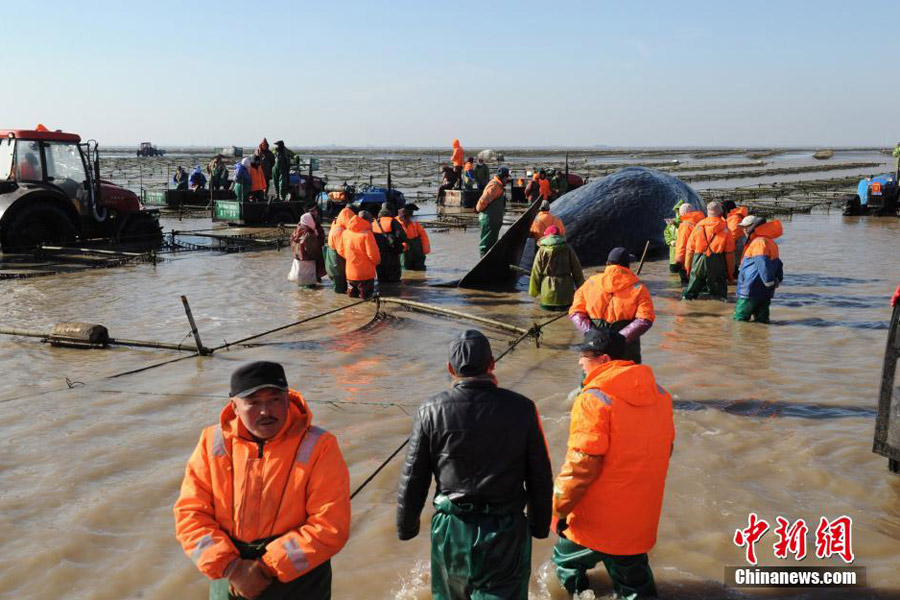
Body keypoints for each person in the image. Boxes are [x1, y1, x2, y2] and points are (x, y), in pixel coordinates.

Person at [174, 361, 351, 600]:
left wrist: (267, 568)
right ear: (234, 407)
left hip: (299, 582)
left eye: (275, 399)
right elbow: (190, 515)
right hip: (230, 577)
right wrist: (232, 568)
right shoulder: (211, 443)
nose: (266, 411)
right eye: (253, 402)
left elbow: (330, 526)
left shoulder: (320, 445)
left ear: (288, 400)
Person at [397, 330, 553, 600]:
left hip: (451, 530)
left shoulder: (430, 410)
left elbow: (413, 477)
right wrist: (539, 526)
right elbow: (540, 476)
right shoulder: (523, 408)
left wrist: (407, 527)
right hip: (505, 531)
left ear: (450, 369)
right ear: (491, 364)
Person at [551, 329, 674, 598]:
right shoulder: (661, 395)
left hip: (598, 519)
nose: (580, 362)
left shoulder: (593, 399)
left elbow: (582, 464)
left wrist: (559, 508)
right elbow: (667, 449)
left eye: (584, 355)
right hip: (640, 515)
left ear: (603, 359)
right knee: (635, 581)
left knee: (565, 562)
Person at [569, 248, 654, 364]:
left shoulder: (590, 283)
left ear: (607, 264)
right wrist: (620, 338)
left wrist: (591, 333)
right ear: (627, 266)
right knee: (628, 379)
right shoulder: (639, 288)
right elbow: (645, 319)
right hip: (625, 349)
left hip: (594, 346)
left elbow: (575, 313)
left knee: (593, 379)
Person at [733, 216, 784, 323]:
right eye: (743, 227)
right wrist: (777, 280)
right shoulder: (770, 242)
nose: (744, 230)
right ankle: (760, 339)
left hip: (750, 290)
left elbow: (762, 262)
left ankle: (739, 340)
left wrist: (768, 281)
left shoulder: (758, 242)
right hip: (765, 292)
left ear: (754, 227)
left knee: (739, 321)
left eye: (747, 227)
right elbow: (778, 263)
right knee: (762, 322)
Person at [683, 201, 736, 300]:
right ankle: (720, 311)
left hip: (698, 260)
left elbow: (689, 250)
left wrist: (688, 268)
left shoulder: (698, 227)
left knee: (691, 294)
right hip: (717, 263)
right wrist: (730, 274)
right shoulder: (726, 230)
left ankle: (687, 309)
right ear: (721, 213)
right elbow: (730, 254)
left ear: (707, 212)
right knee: (720, 296)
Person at [529, 226, 584, 311]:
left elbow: (536, 272)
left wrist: (533, 291)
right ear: (559, 235)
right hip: (565, 292)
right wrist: (582, 289)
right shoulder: (567, 248)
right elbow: (577, 270)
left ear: (546, 236)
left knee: (545, 318)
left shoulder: (542, 250)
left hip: (547, 293)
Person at [340, 210, 381, 299]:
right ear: (366, 221)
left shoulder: (345, 232)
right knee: (366, 299)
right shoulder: (367, 234)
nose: (371, 224)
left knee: (352, 300)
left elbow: (341, 250)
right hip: (365, 275)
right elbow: (373, 255)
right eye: (370, 221)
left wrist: (351, 259)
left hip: (350, 274)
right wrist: (377, 262)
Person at [475, 166, 510, 256]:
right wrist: (478, 209)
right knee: (486, 245)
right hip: (489, 220)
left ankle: (487, 261)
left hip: (493, 221)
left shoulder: (499, 186)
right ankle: (483, 262)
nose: (508, 179)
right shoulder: (494, 186)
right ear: (503, 177)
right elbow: (483, 201)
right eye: (507, 177)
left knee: (491, 244)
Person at [373, 205, 407, 284]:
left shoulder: (374, 222)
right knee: (394, 277)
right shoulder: (392, 221)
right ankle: (395, 292)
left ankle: (383, 291)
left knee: (381, 276)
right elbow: (402, 236)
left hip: (379, 253)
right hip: (391, 252)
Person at [290, 213, 326, 287]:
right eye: (313, 219)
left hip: (298, 262)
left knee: (301, 288)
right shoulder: (309, 234)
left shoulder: (296, 230)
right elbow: (314, 251)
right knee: (311, 288)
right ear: (310, 221)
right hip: (308, 264)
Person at [325, 207, 354, 294]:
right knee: (339, 289)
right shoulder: (339, 231)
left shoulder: (336, 226)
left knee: (339, 287)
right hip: (336, 263)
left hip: (333, 262)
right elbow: (341, 250)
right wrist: (353, 258)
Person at [673, 203, 704, 285]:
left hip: (686, 259)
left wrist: (678, 259)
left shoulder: (685, 225)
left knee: (686, 285)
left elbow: (682, 244)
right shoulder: (701, 222)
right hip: (698, 257)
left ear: (682, 213)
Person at [397, 204, 431, 271]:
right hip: (404, 251)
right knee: (405, 269)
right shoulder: (396, 222)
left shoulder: (414, 222)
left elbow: (423, 235)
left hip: (416, 248)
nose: (412, 215)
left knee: (420, 267)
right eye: (411, 213)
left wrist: (425, 249)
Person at [723, 200, 749, 275]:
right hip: (738, 243)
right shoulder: (734, 216)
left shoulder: (735, 218)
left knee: (733, 263)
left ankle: (734, 274)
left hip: (737, 244)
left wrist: (724, 245)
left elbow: (734, 233)